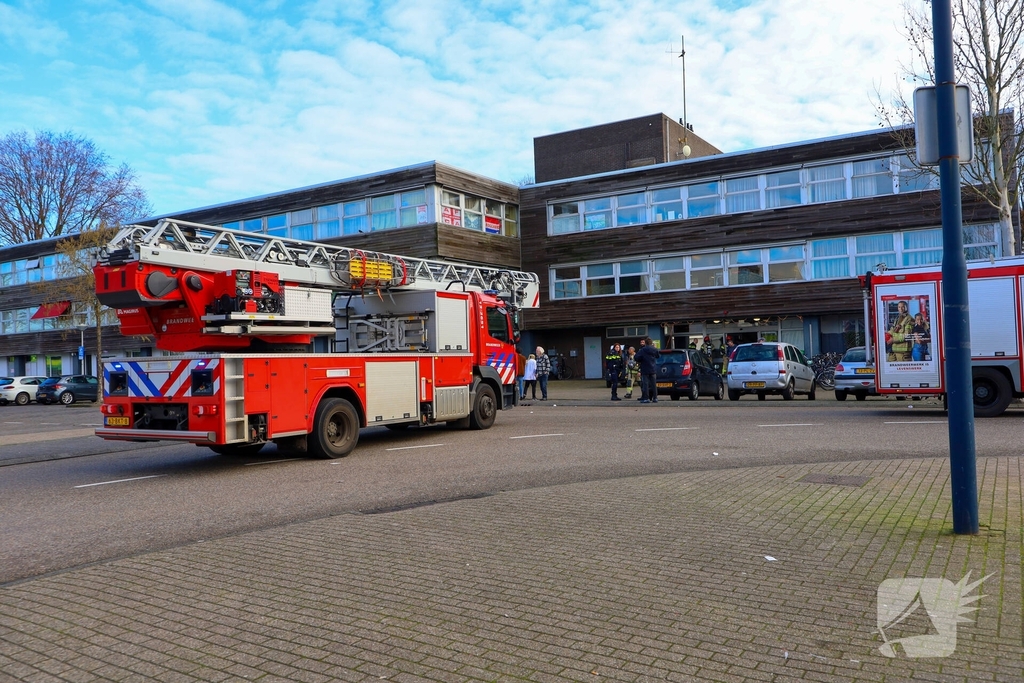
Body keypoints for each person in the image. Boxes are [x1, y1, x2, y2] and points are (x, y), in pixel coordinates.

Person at [635, 336, 661, 403]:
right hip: (653, 368)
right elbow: (658, 356)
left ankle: (646, 398)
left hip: (645, 368)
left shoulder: (643, 350)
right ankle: (655, 398)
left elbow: (636, 357)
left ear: (645, 343)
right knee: (653, 384)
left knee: (645, 384)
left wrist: (641, 360)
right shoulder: (654, 349)